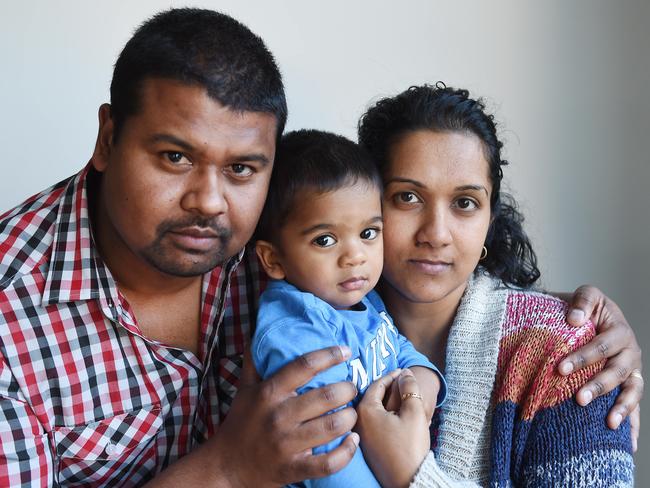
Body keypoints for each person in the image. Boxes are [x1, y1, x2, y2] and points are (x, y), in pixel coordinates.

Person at [0, 7, 641, 487]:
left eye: (244, 169)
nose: (210, 201)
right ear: (108, 137)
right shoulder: (13, 314)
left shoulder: (287, 245)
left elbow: (449, 286)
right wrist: (225, 470)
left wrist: (575, 318)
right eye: (174, 157)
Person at [354, 84, 639, 486]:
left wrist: (414, 477)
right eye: (407, 197)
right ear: (365, 202)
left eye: (465, 203)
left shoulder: (562, 353)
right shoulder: (311, 329)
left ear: (490, 218)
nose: (436, 233)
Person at [252, 130, 445, 487]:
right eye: (325, 240)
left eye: (369, 233)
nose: (355, 256)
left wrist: (421, 389)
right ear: (273, 259)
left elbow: (399, 350)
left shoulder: (361, 299)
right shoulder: (295, 327)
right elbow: (326, 448)